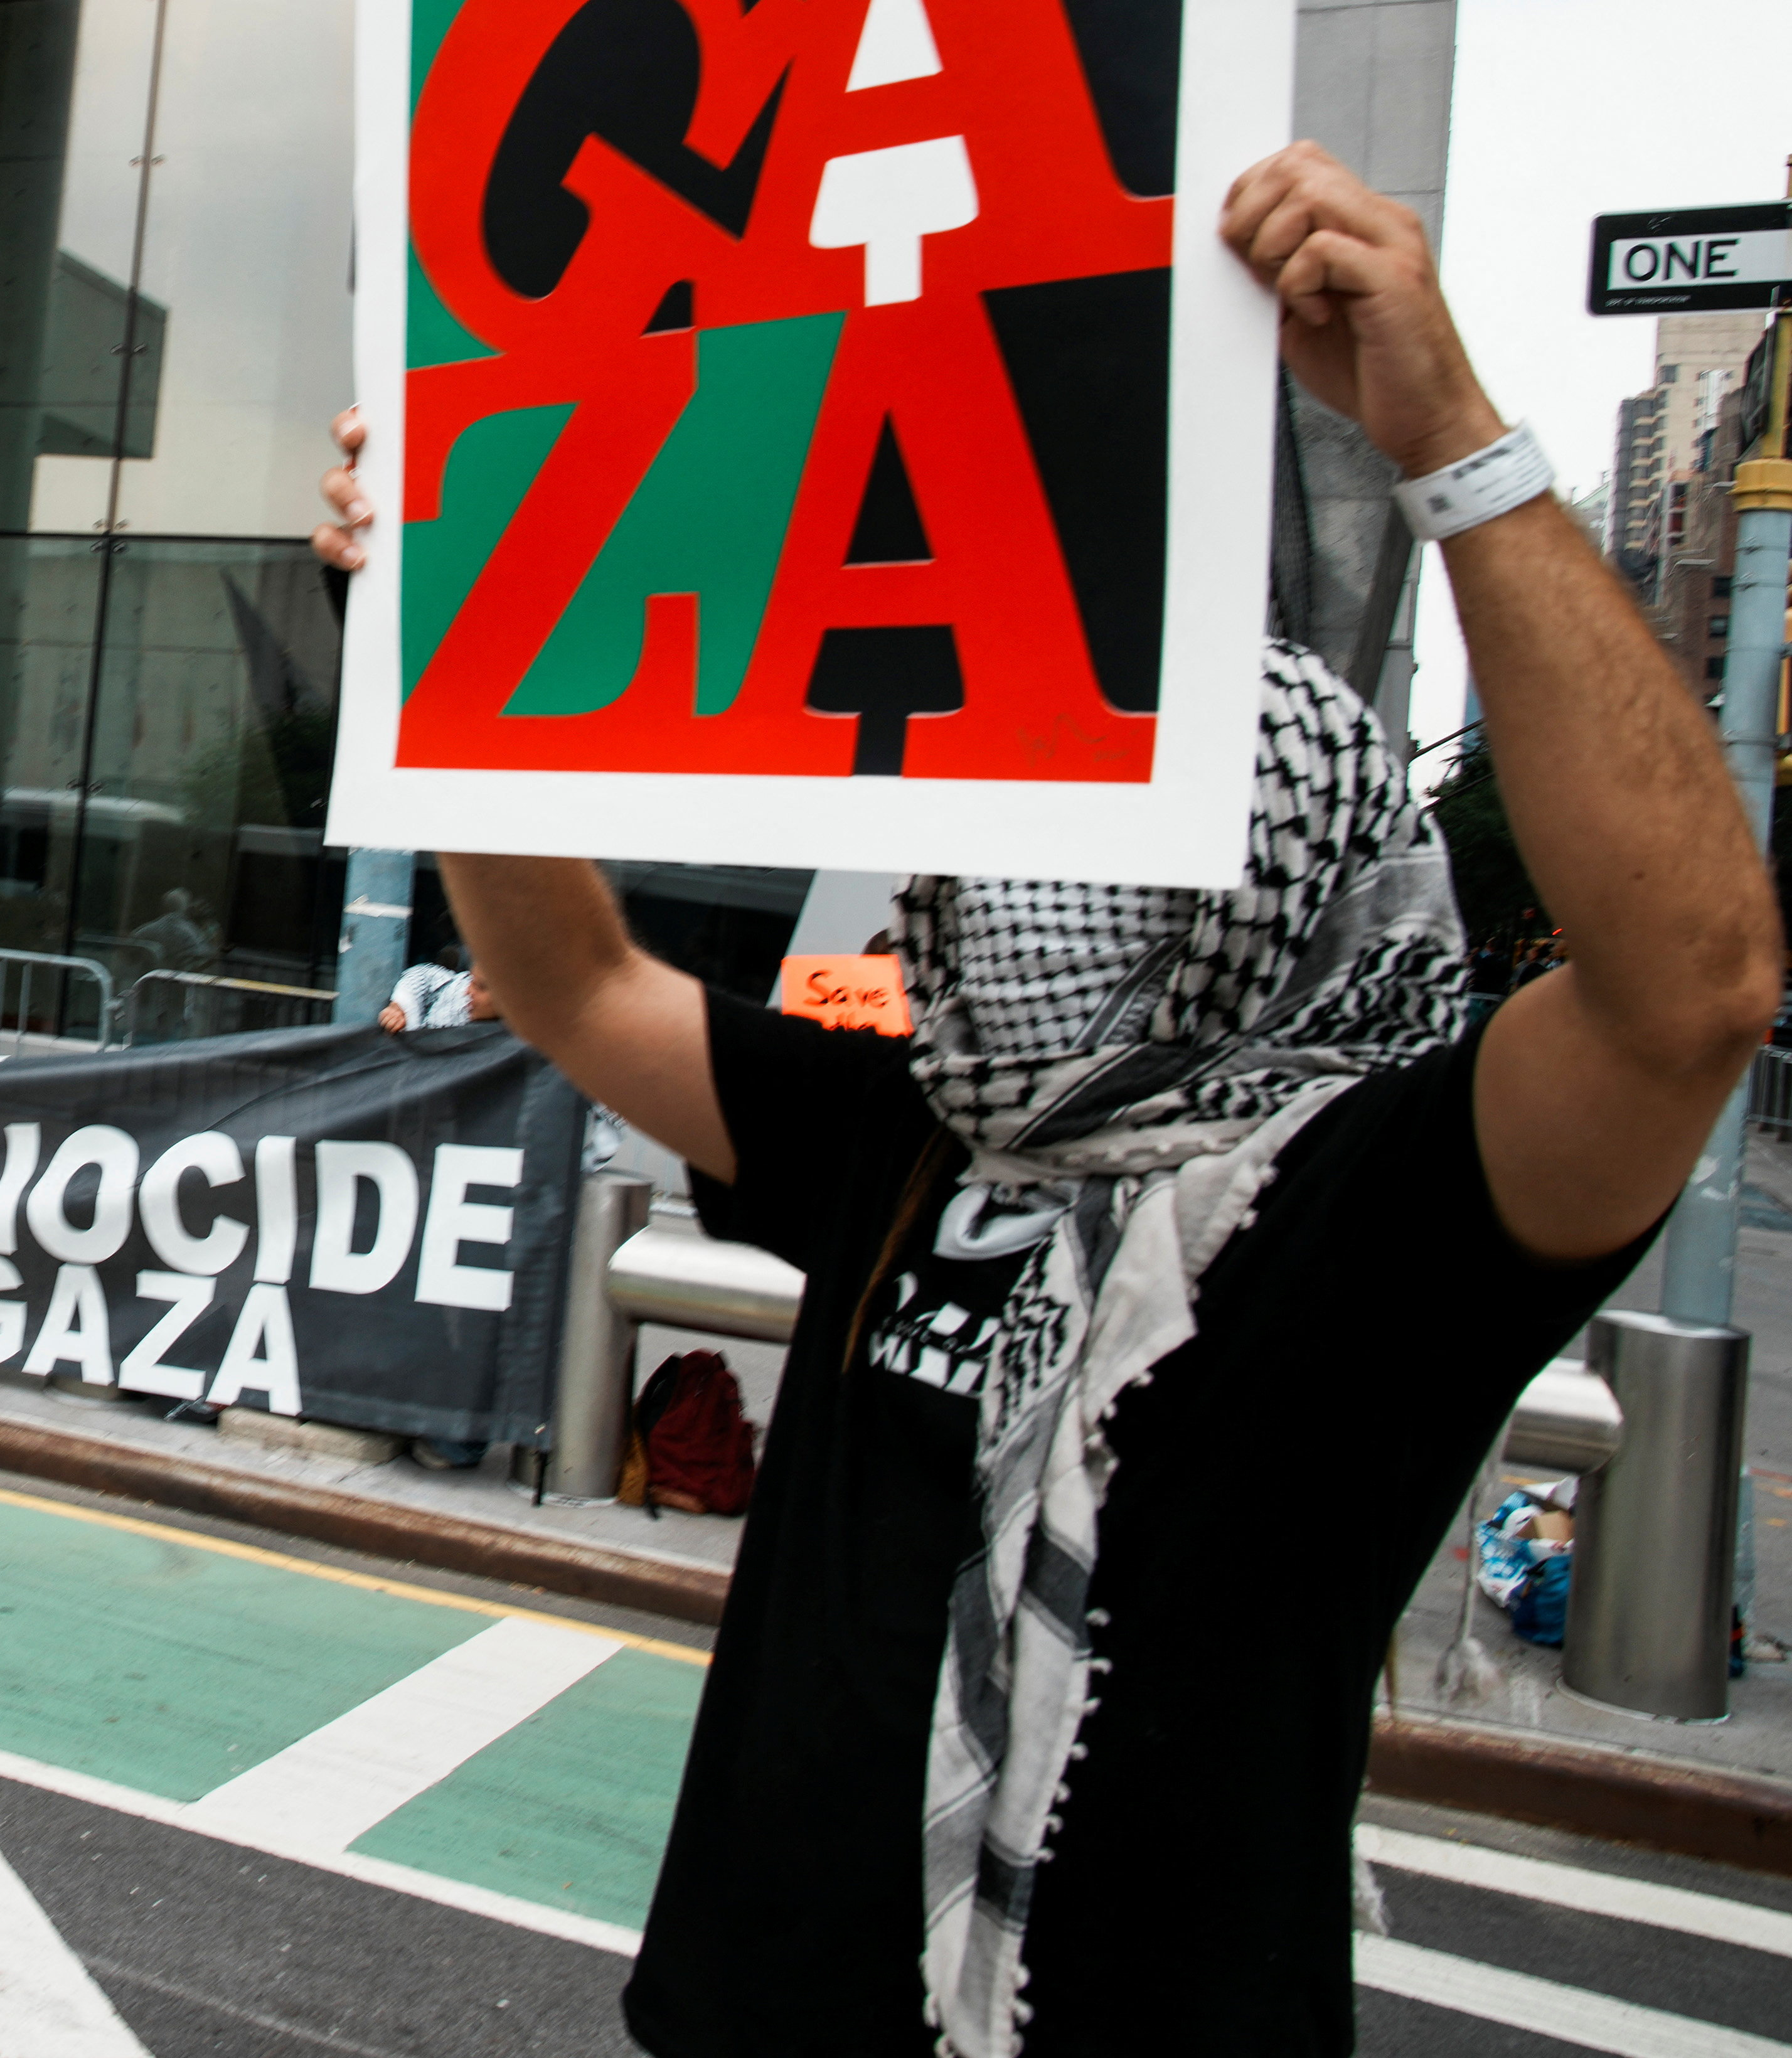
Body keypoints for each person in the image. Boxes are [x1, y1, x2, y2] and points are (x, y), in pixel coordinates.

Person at [311, 141, 1779, 2055]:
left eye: (1096, 850)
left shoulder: (1383, 1195)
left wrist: (1456, 445)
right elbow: (567, 978)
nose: (996, 895)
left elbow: (1690, 997)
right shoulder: (905, 1127)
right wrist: (449, 633)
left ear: (1278, 876)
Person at [378, 957, 498, 1034]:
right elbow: (423, 974)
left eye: (480, 987)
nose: (468, 991)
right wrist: (400, 1008)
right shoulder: (459, 990)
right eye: (471, 980)